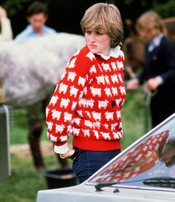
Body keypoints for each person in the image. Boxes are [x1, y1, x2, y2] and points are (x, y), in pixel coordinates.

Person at [45, 2, 125, 183]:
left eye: (98, 33)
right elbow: (59, 104)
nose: (91, 39)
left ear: (113, 34)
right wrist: (60, 144)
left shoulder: (117, 57)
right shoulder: (83, 60)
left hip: (114, 150)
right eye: (88, 32)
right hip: (90, 154)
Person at [14, 1, 64, 171]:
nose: (38, 24)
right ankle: (39, 165)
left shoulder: (53, 35)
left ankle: (62, 161)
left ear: (45, 18)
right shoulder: (21, 39)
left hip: (50, 85)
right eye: (35, 20)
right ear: (29, 19)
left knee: (56, 123)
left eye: (41, 20)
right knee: (36, 125)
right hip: (33, 88)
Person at [126, 11, 175, 127]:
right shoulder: (149, 45)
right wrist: (137, 80)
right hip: (155, 97)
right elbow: (146, 69)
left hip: (167, 96)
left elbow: (173, 70)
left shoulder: (167, 44)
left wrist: (158, 80)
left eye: (142, 30)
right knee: (156, 127)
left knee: (166, 128)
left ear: (150, 29)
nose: (141, 33)